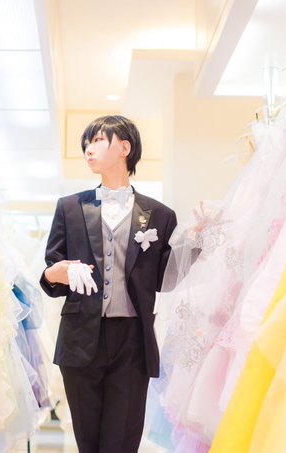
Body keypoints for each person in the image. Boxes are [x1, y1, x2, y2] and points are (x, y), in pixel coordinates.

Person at [39, 115, 177, 453]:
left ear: (124, 148)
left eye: (99, 140)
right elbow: (51, 274)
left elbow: (166, 279)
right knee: (88, 442)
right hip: (80, 339)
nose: (89, 149)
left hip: (132, 341)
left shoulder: (160, 215)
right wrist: (57, 273)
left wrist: (195, 244)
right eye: (86, 143)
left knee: (122, 442)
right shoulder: (70, 208)